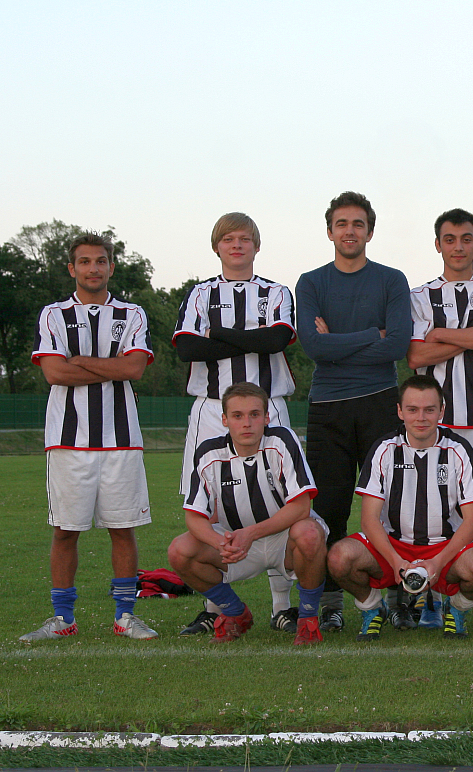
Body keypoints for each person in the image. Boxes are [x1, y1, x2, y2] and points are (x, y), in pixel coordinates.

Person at [22, 233, 158, 643]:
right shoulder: (53, 315)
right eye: (84, 262)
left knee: (123, 528)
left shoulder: (131, 313)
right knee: (65, 530)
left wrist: (79, 360)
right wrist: (108, 365)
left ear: (111, 267)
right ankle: (63, 618)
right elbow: (54, 373)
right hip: (68, 441)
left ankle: (125, 616)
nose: (93, 268)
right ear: (72, 268)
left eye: (100, 261)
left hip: (121, 439)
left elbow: (134, 369)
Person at [173, 212, 299, 636]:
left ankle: (282, 606)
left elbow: (276, 339)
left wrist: (217, 335)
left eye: (245, 238)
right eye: (229, 239)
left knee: (277, 497)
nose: (237, 245)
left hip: (268, 406)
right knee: (210, 503)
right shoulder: (200, 293)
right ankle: (218, 607)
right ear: (217, 246)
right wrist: (249, 338)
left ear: (256, 246)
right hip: (212, 408)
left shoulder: (275, 292)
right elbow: (187, 348)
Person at [295, 191, 412, 632]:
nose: (350, 231)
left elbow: (397, 345)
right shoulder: (311, 282)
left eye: (358, 224)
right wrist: (369, 335)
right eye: (341, 224)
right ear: (329, 231)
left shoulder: (391, 280)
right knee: (329, 506)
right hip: (328, 405)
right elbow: (313, 347)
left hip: (381, 400)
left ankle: (401, 596)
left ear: (370, 231)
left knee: (392, 504)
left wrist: (337, 343)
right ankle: (330, 603)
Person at [326, 375, 473, 639]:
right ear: (400, 411)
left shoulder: (459, 450)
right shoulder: (384, 449)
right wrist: (396, 561)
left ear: (441, 411)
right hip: (394, 544)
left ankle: (456, 608)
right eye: (412, 409)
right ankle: (372, 607)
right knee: (339, 558)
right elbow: (369, 520)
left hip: (445, 546)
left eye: (429, 410)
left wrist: (437, 562)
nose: (421, 418)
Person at [408, 208, 473, 626]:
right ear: (438, 245)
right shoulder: (419, 295)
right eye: (450, 239)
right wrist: (471, 336)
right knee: (435, 510)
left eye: (466, 238)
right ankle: (435, 600)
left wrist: (438, 333)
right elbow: (416, 355)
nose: (458, 247)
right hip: (435, 422)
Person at [168, 383, 327, 645]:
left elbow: (301, 506)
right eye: (237, 415)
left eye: (254, 414)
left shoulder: (281, 440)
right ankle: (235, 612)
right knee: (179, 550)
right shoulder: (209, 453)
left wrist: (250, 534)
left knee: (309, 532)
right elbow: (194, 517)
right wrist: (220, 543)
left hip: (283, 539)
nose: (247, 423)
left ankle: (308, 619)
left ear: (266, 417)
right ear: (224, 420)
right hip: (237, 543)